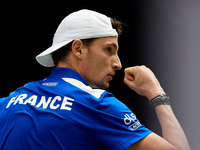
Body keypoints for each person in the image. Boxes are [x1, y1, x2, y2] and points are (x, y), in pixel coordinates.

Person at [0, 9, 191, 150]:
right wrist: (157, 94)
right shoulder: (97, 103)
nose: (118, 64)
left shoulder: (9, 101)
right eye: (109, 50)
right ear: (78, 48)